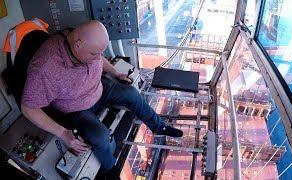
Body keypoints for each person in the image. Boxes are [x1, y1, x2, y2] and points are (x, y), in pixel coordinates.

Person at [21, 20, 183, 178]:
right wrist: (63, 133)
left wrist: (115, 73)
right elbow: (28, 107)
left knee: (132, 94)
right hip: (76, 107)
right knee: (101, 138)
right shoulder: (45, 69)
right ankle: (109, 169)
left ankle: (158, 126)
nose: (98, 57)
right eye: (94, 53)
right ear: (77, 44)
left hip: (99, 87)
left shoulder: (84, 46)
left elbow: (100, 58)